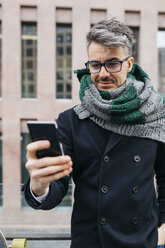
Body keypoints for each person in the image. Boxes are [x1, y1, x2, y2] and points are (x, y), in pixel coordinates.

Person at [23, 18, 165, 248]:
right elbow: (56, 189)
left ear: (129, 64)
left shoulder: (156, 113)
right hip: (91, 241)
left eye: (112, 63)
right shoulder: (71, 121)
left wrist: (162, 231)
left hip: (143, 241)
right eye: (95, 64)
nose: (103, 73)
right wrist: (39, 185)